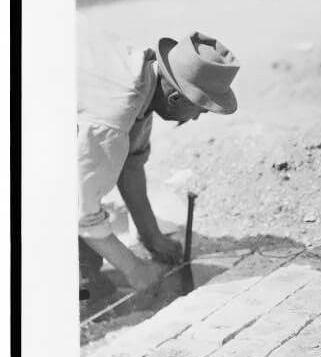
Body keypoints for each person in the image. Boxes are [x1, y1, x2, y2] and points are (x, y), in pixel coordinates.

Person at [77, 18, 240, 296]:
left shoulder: (145, 80)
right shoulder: (113, 118)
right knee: (82, 268)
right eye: (200, 109)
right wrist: (134, 269)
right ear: (176, 98)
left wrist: (152, 236)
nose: (198, 118)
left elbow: (131, 167)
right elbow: (82, 212)